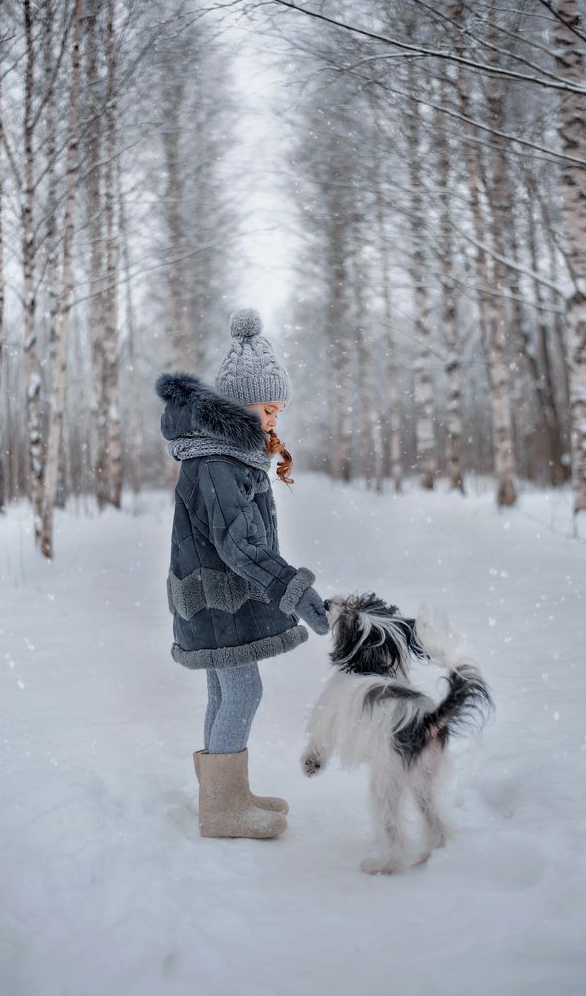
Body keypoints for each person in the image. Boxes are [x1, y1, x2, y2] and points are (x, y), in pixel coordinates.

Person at [155, 307, 330, 841]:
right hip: (217, 597)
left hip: (213, 595)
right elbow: (240, 545)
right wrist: (295, 592)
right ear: (240, 405)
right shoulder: (219, 462)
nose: (275, 418)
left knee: (223, 688)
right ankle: (224, 809)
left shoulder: (227, 452)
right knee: (242, 691)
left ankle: (223, 795)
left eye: (280, 408)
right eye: (268, 407)